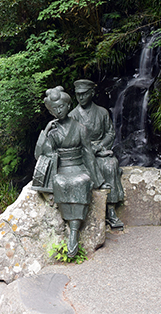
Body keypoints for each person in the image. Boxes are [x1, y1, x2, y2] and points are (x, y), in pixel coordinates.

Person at [34, 86, 102, 257]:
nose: (59, 111)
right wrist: (46, 132)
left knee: (81, 181)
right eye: (54, 109)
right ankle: (71, 226)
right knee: (61, 182)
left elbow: (88, 154)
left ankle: (74, 231)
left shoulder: (80, 128)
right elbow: (41, 155)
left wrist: (97, 178)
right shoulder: (54, 130)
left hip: (78, 166)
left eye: (61, 107)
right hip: (62, 167)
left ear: (68, 105)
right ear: (50, 111)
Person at [69, 79, 125, 229]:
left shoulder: (102, 112)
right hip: (83, 154)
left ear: (91, 93)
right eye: (78, 95)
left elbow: (110, 133)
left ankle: (111, 210)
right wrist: (87, 148)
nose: (80, 98)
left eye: (84, 94)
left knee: (110, 164)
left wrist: (100, 146)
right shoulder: (73, 115)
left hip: (100, 151)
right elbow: (71, 139)